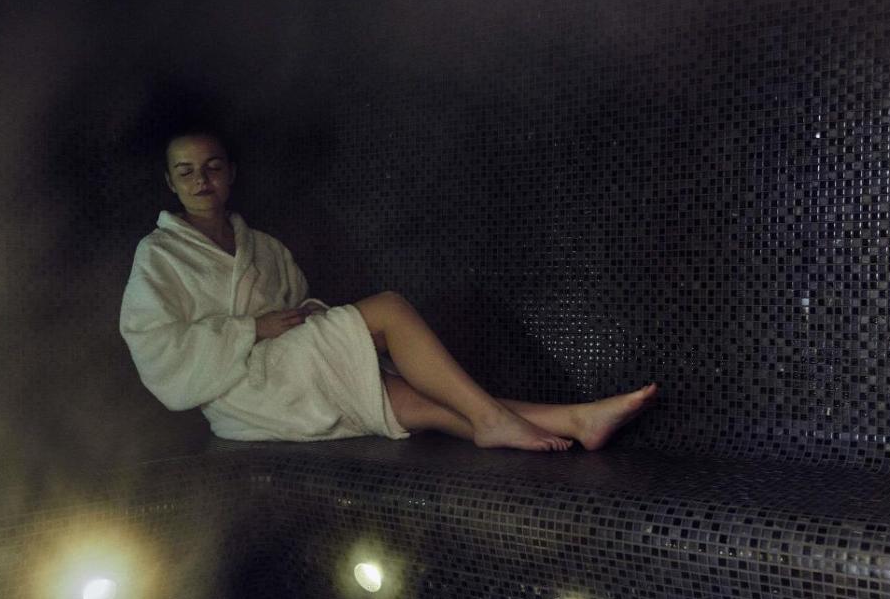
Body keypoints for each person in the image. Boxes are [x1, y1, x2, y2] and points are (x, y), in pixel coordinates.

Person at [120, 131, 658, 452]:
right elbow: (154, 347)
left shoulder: (262, 245)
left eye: (212, 167)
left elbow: (296, 305)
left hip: (287, 371)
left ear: (231, 172)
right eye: (186, 172)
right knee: (389, 310)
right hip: (239, 391)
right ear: (171, 181)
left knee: (417, 404)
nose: (201, 180)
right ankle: (497, 420)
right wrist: (249, 329)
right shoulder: (160, 255)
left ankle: (576, 420)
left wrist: (306, 314)